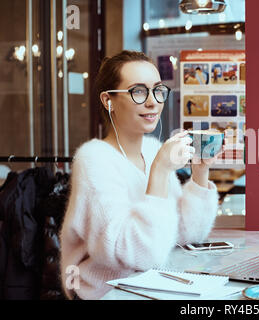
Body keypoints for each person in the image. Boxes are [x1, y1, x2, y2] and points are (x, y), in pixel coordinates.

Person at [59, 50, 222, 300]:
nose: (153, 102)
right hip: (108, 291)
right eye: (138, 91)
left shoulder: (153, 149)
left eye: (158, 90)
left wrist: (200, 172)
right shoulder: (94, 159)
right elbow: (138, 253)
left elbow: (185, 233)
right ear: (108, 100)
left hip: (152, 284)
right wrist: (159, 171)